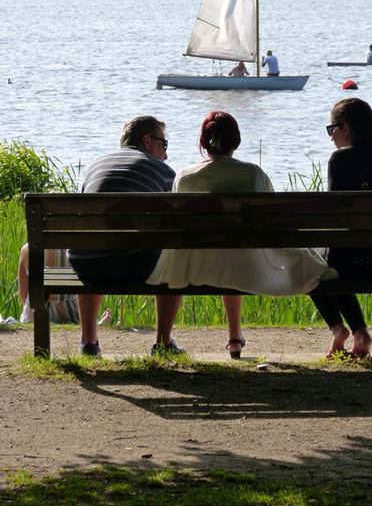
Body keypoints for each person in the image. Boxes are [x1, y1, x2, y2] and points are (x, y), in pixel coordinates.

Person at [146, 111, 332, 359]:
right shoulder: (253, 174)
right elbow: (274, 222)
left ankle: (164, 341)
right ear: (236, 142)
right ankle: (234, 337)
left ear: (203, 142)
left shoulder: (185, 176)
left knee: (221, 250)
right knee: (233, 251)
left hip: (195, 269)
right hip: (247, 266)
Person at [68, 115, 182, 357]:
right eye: (164, 145)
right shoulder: (161, 171)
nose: (166, 154)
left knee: (91, 244)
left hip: (84, 265)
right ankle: (163, 342)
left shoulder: (95, 166)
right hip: (134, 264)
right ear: (148, 141)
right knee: (173, 256)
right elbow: (177, 223)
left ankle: (88, 342)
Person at [312, 98, 372, 358]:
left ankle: (342, 330)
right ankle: (360, 335)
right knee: (335, 259)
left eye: (332, 129)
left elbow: (334, 215)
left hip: (351, 260)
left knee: (312, 262)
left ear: (346, 128)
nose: (331, 137)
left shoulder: (340, 159)